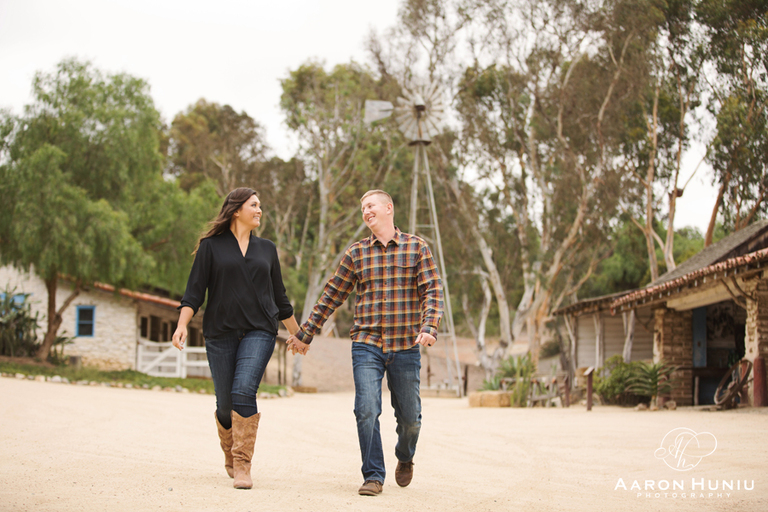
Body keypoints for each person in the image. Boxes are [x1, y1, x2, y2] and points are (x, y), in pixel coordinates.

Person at [287, 189, 443, 496]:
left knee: (411, 419)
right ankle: (373, 474)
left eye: (370, 205)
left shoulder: (416, 248)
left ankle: (405, 455)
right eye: (362, 208)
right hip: (367, 344)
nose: (365, 212)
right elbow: (332, 294)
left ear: (388, 207)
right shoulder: (356, 253)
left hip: (405, 346)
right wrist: (306, 333)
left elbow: (433, 291)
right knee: (366, 408)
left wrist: (430, 327)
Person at [171, 187, 305, 490]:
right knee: (225, 403)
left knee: (244, 391)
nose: (259, 210)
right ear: (236, 210)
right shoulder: (211, 247)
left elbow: (280, 298)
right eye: (254, 205)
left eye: (259, 205)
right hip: (220, 332)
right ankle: (230, 453)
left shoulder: (267, 249)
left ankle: (243, 463)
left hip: (259, 330)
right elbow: (194, 292)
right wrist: (182, 324)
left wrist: (299, 334)